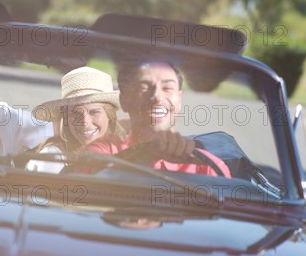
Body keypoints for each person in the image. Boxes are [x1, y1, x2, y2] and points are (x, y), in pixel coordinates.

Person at [86, 61, 231, 177]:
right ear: (124, 101)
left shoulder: (207, 167)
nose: (157, 97)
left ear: (179, 100)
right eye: (143, 87)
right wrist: (148, 154)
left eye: (167, 88)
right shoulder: (102, 151)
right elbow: (84, 189)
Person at [28, 66, 126, 172]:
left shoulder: (123, 151)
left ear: (109, 116)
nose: (84, 122)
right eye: (75, 114)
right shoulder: (53, 159)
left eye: (94, 112)